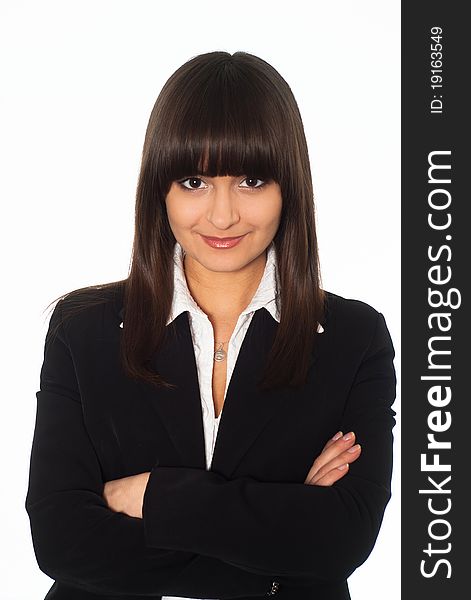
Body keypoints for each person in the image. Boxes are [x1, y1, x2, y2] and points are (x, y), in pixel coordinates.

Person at [25, 51, 397, 600]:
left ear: (287, 185)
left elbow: (343, 540)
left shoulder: (354, 338)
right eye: (194, 181)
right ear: (161, 188)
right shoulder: (84, 329)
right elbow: (60, 540)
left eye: (250, 179)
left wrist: (153, 497)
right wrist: (279, 536)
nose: (222, 216)